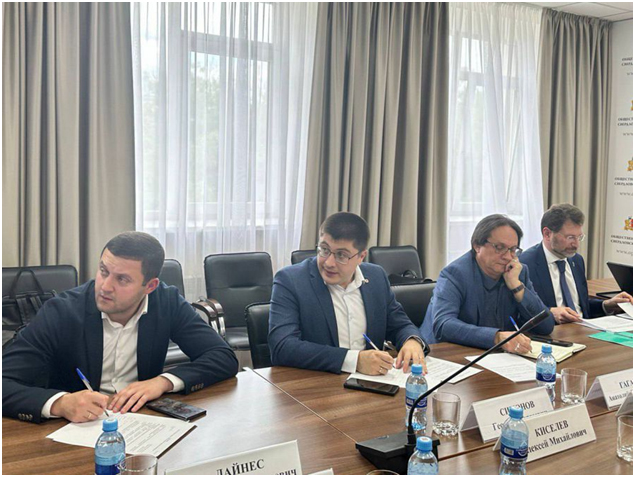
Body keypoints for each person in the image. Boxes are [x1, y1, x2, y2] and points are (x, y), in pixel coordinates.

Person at [2, 232, 239, 424]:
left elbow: (222, 357)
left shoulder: (166, 302)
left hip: (142, 422)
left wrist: (163, 382)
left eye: (122, 279)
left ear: (150, 286)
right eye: (103, 271)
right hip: (73, 428)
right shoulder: (62, 311)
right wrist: (60, 403)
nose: (105, 286)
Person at [268, 212, 428, 376]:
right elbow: (282, 346)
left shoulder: (376, 277)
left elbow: (400, 324)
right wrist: (354, 360)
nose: (329, 263)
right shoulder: (290, 280)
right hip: (317, 382)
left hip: (373, 382)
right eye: (324, 250)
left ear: (361, 256)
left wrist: (411, 340)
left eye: (341, 255)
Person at [420, 214, 554, 353]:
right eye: (499, 247)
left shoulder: (517, 272)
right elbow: (443, 325)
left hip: (497, 356)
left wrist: (517, 287)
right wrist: (497, 337)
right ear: (477, 246)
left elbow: (546, 326)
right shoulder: (455, 274)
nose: (507, 256)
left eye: (513, 249)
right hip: (446, 354)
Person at [520, 203, 633, 323]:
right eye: (570, 237)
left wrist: (606, 305)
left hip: (585, 329)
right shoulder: (525, 264)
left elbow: (581, 306)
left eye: (579, 237)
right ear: (547, 234)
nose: (576, 244)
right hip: (553, 331)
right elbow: (521, 312)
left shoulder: (577, 260)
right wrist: (550, 313)